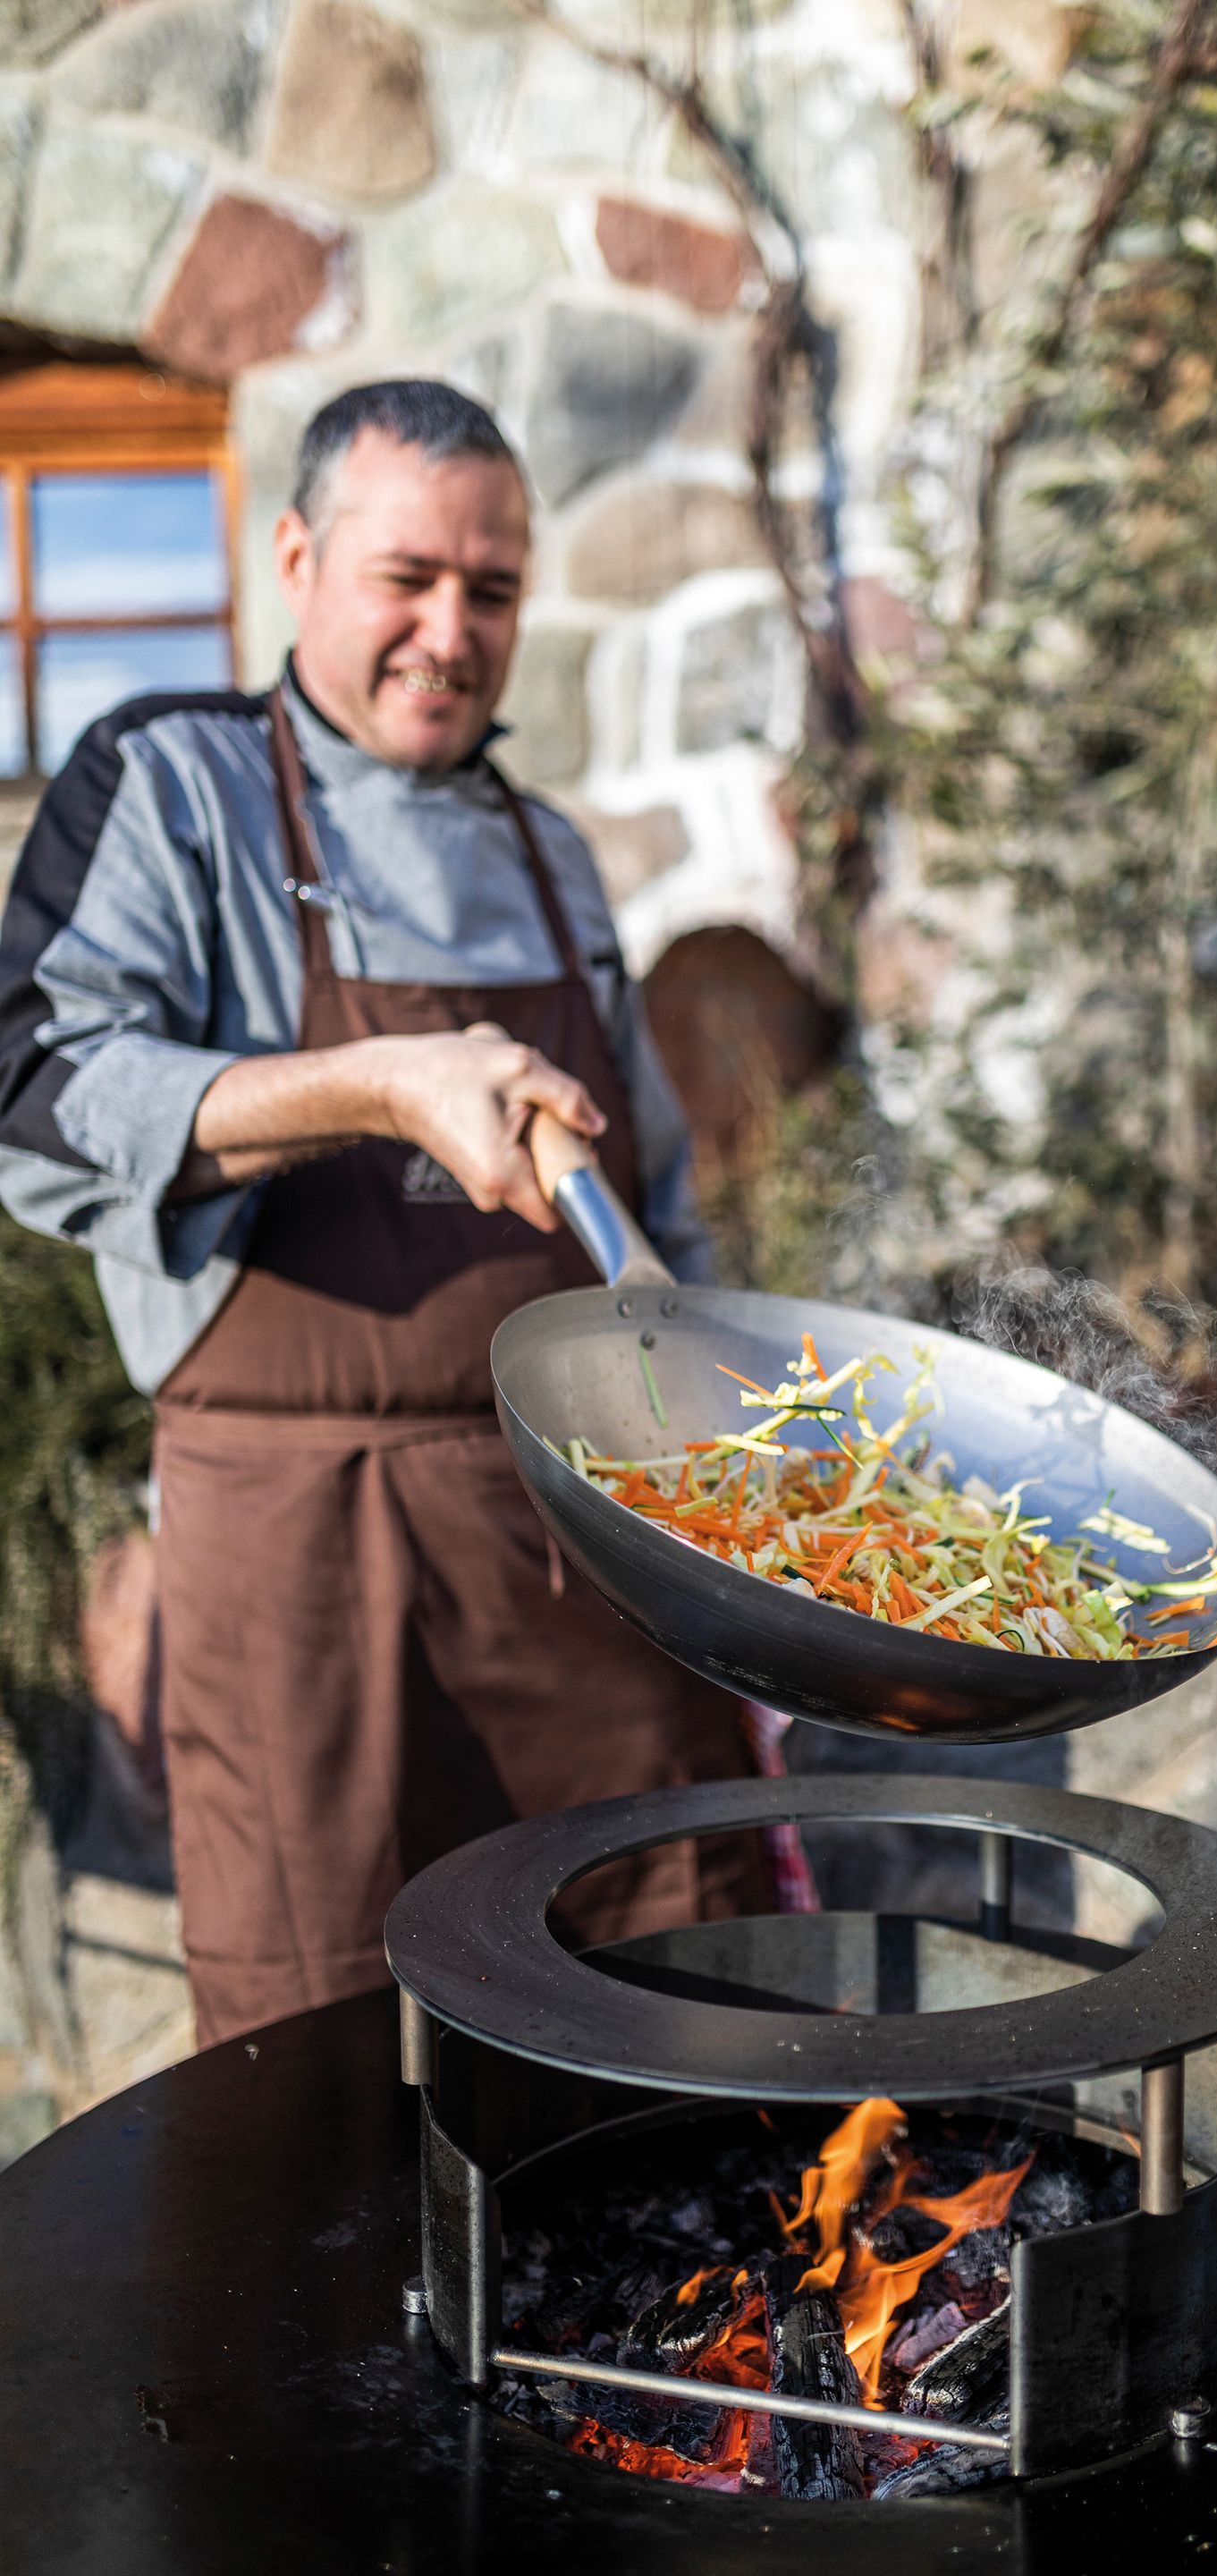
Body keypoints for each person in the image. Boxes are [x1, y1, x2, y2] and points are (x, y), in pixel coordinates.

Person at [0, 378, 767, 2046]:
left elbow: (658, 1213)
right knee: (329, 2056)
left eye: (492, 591)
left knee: (669, 2011)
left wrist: (747, 1507)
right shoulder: (174, 785)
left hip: (589, 1556)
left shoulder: (550, 853)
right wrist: (373, 1083)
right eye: (406, 578)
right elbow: (39, 1089)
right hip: (305, 1574)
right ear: (296, 557)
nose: (450, 634)